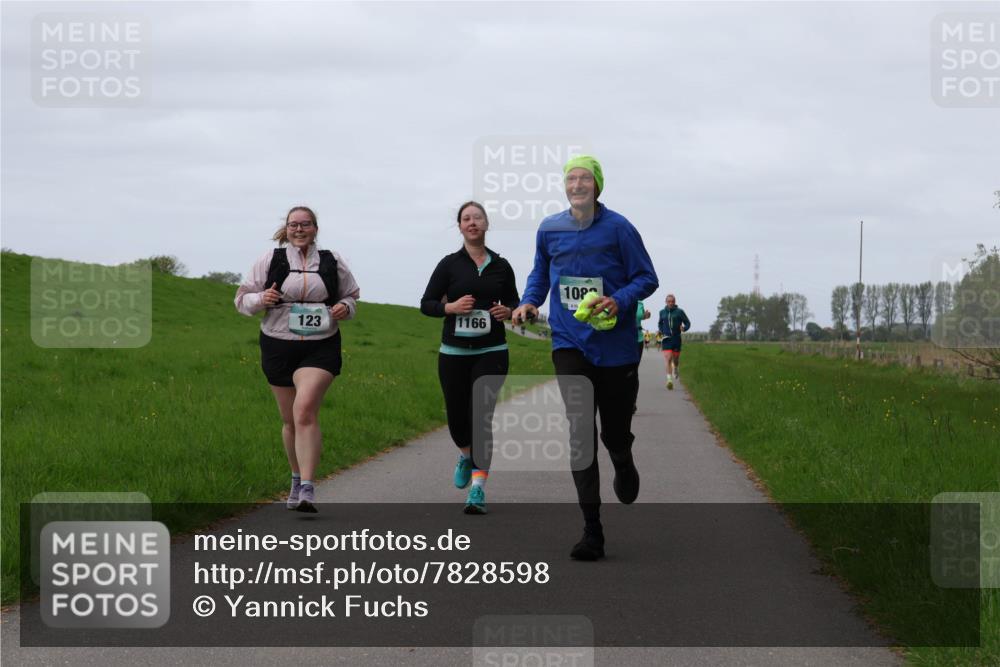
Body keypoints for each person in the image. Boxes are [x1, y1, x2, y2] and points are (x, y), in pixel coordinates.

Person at [512, 155, 658, 561]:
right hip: (569, 342)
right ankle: (592, 530)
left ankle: (623, 459)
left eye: (585, 178)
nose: (577, 184)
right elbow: (540, 272)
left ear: (598, 185)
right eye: (571, 178)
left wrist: (619, 299)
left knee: (613, 432)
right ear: (565, 186)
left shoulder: (619, 228)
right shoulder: (549, 228)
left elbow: (647, 277)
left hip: (616, 348)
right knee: (580, 434)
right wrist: (528, 302)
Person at [235, 206, 361, 513]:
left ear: (315, 228)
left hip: (321, 345)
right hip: (278, 344)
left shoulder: (332, 261)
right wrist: (260, 299)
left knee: (304, 410)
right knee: (290, 420)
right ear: (287, 229)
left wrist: (345, 308)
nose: (299, 229)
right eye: (294, 225)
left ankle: (307, 487)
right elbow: (241, 300)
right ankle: (295, 478)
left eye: (305, 224)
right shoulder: (271, 259)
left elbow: (351, 296)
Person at [421, 201, 519, 514]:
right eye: (466, 219)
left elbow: (516, 303)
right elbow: (427, 303)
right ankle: (466, 454)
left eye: (477, 217)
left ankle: (478, 488)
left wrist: (509, 311)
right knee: (457, 419)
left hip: (492, 351)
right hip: (453, 352)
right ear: (460, 227)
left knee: (481, 415)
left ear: (486, 224)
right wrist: (449, 308)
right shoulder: (449, 264)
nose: (472, 222)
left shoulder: (502, 266)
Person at [658, 294, 690, 390]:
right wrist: (662, 330)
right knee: (668, 359)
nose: (671, 303)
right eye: (669, 301)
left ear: (675, 302)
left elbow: (688, 323)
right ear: (666, 302)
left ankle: (675, 368)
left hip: (676, 339)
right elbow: (660, 323)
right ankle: (669, 380)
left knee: (675, 359)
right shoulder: (662, 312)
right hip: (666, 339)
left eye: (672, 301)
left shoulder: (680, 312)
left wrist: (684, 328)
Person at [633, 301, 651, 414]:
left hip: (638, 339)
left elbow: (640, 316)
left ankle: (632, 402)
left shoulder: (639, 301)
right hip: (622, 339)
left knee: (633, 372)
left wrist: (645, 316)